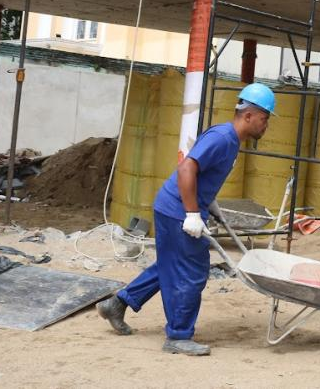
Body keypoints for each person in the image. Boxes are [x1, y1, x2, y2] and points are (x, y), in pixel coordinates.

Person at [96, 84, 276, 356]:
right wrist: (192, 213)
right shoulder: (223, 138)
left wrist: (208, 202)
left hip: (174, 205)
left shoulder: (229, 139)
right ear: (248, 115)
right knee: (192, 272)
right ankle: (178, 336)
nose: (266, 125)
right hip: (178, 210)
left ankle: (118, 304)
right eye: (264, 118)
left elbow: (201, 173)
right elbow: (186, 169)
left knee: (171, 264)